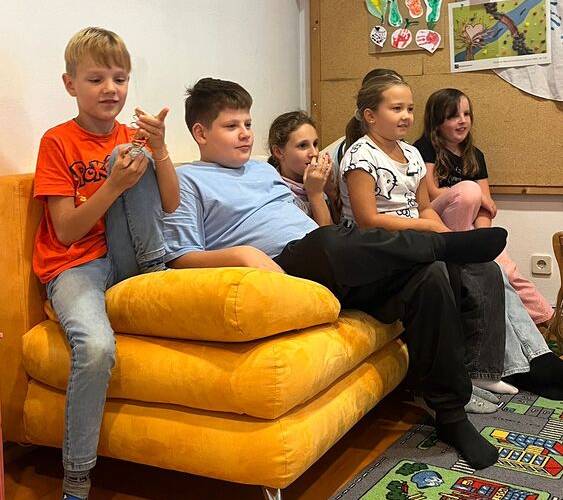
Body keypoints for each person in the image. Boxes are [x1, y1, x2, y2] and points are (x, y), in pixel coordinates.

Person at [161, 77, 518, 471]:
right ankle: (441, 244)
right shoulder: (187, 181)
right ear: (201, 133)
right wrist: (244, 255)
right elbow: (179, 257)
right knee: (330, 241)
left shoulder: (263, 172)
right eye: (232, 126)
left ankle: (450, 415)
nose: (246, 133)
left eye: (247, 123)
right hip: (281, 266)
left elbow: (322, 229)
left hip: (327, 261)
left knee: (427, 277)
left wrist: (317, 196)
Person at [33, 27, 180, 500]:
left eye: (120, 78)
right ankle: (74, 492)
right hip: (73, 266)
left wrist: (159, 150)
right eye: (96, 79)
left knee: (130, 152)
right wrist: (112, 183)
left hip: (130, 256)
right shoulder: (57, 141)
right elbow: (66, 230)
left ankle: (157, 272)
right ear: (70, 84)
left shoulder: (130, 136)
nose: (111, 88)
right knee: (95, 349)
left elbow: (169, 205)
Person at [339, 72, 563, 403]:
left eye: (409, 108)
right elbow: (367, 220)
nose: (406, 116)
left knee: (490, 268)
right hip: (377, 246)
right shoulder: (360, 156)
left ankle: (504, 365)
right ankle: (529, 366)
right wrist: (431, 232)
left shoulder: (411, 155)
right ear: (370, 115)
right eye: (396, 109)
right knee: (456, 269)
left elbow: (424, 208)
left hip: (417, 237)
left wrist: (446, 237)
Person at [415, 88, 553, 327]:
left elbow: (486, 208)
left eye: (466, 114)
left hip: (467, 225)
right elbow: (430, 194)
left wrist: (481, 237)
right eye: (453, 116)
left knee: (505, 267)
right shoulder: (424, 148)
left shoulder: (474, 155)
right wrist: (476, 195)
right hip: (436, 222)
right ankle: (463, 250)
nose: (462, 121)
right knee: (469, 190)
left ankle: (548, 321)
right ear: (436, 122)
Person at [267, 110, 337, 224]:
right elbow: (328, 234)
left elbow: (341, 226)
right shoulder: (278, 194)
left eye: (315, 144)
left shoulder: (316, 180)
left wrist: (330, 191)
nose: (314, 153)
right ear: (279, 152)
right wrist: (315, 193)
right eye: (303, 145)